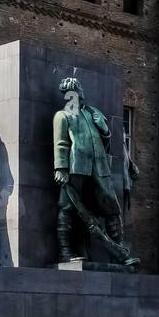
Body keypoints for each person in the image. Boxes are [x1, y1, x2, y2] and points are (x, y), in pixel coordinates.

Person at [53, 76, 133, 265]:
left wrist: (105, 130)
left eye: (75, 93)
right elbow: (61, 143)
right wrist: (60, 168)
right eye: (69, 94)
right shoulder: (62, 116)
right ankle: (65, 251)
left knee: (111, 207)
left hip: (99, 167)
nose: (73, 97)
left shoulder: (92, 114)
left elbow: (104, 144)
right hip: (76, 167)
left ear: (81, 94)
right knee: (67, 207)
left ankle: (118, 251)